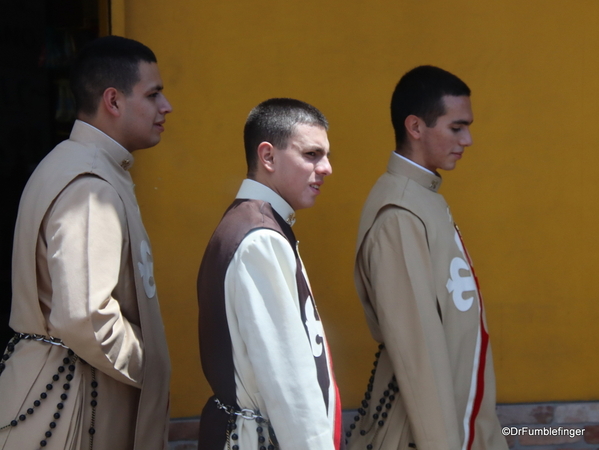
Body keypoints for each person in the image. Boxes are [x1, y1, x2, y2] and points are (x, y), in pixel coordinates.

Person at [0, 36, 173, 450]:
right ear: (113, 101)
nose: (165, 107)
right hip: (72, 411)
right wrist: (154, 369)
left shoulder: (76, 163)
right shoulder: (90, 185)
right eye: (153, 94)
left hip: (61, 398)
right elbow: (86, 318)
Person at [348, 66, 507, 450]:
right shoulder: (399, 214)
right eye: (456, 127)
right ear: (416, 127)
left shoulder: (422, 196)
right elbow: (417, 353)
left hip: (461, 420)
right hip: (422, 432)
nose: (467, 139)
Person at [197, 98, 344, 450]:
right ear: (268, 157)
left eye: (326, 156)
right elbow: (290, 383)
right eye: (311, 154)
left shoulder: (253, 222)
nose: (326, 168)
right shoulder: (259, 238)